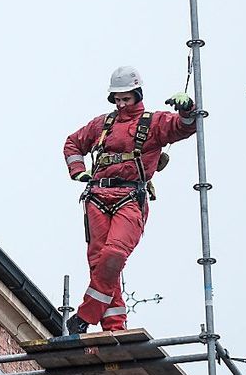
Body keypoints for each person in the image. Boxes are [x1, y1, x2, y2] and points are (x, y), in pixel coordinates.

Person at [62, 66, 197, 334]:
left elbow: (184, 127)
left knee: (114, 254)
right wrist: (78, 172)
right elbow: (72, 144)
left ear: (137, 95)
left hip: (129, 198)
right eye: (118, 99)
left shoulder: (154, 122)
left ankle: (85, 316)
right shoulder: (103, 124)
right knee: (100, 264)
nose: (122, 103)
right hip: (97, 198)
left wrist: (187, 109)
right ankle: (114, 327)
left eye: (127, 98)